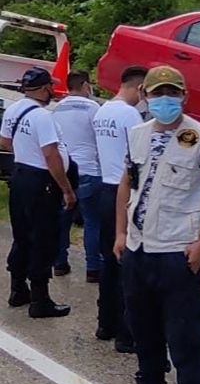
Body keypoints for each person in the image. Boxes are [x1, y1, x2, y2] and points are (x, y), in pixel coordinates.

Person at [114, 65, 200, 384]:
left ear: (184, 96)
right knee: (141, 327)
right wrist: (119, 232)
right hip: (138, 248)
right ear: (145, 97)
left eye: (172, 93)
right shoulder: (137, 134)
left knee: (185, 335)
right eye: (157, 93)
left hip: (177, 253)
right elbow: (126, 184)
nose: (164, 100)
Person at [0, 67, 76, 318]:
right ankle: (40, 300)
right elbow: (51, 155)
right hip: (41, 182)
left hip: (20, 174)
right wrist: (66, 189)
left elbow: (4, 141)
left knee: (22, 235)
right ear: (44, 88)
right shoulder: (43, 117)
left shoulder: (14, 109)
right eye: (50, 86)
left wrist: (24, 149)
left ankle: (18, 289)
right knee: (43, 238)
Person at [93, 65, 147, 353]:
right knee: (130, 266)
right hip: (125, 194)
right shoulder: (130, 115)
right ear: (139, 88)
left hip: (105, 188)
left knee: (108, 262)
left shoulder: (102, 111)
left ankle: (105, 323)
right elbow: (140, 156)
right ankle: (127, 335)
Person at [52, 70, 102, 282]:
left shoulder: (56, 109)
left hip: (64, 172)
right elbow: (100, 139)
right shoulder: (94, 108)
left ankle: (60, 263)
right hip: (89, 171)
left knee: (62, 221)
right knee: (93, 222)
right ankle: (93, 268)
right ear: (84, 85)